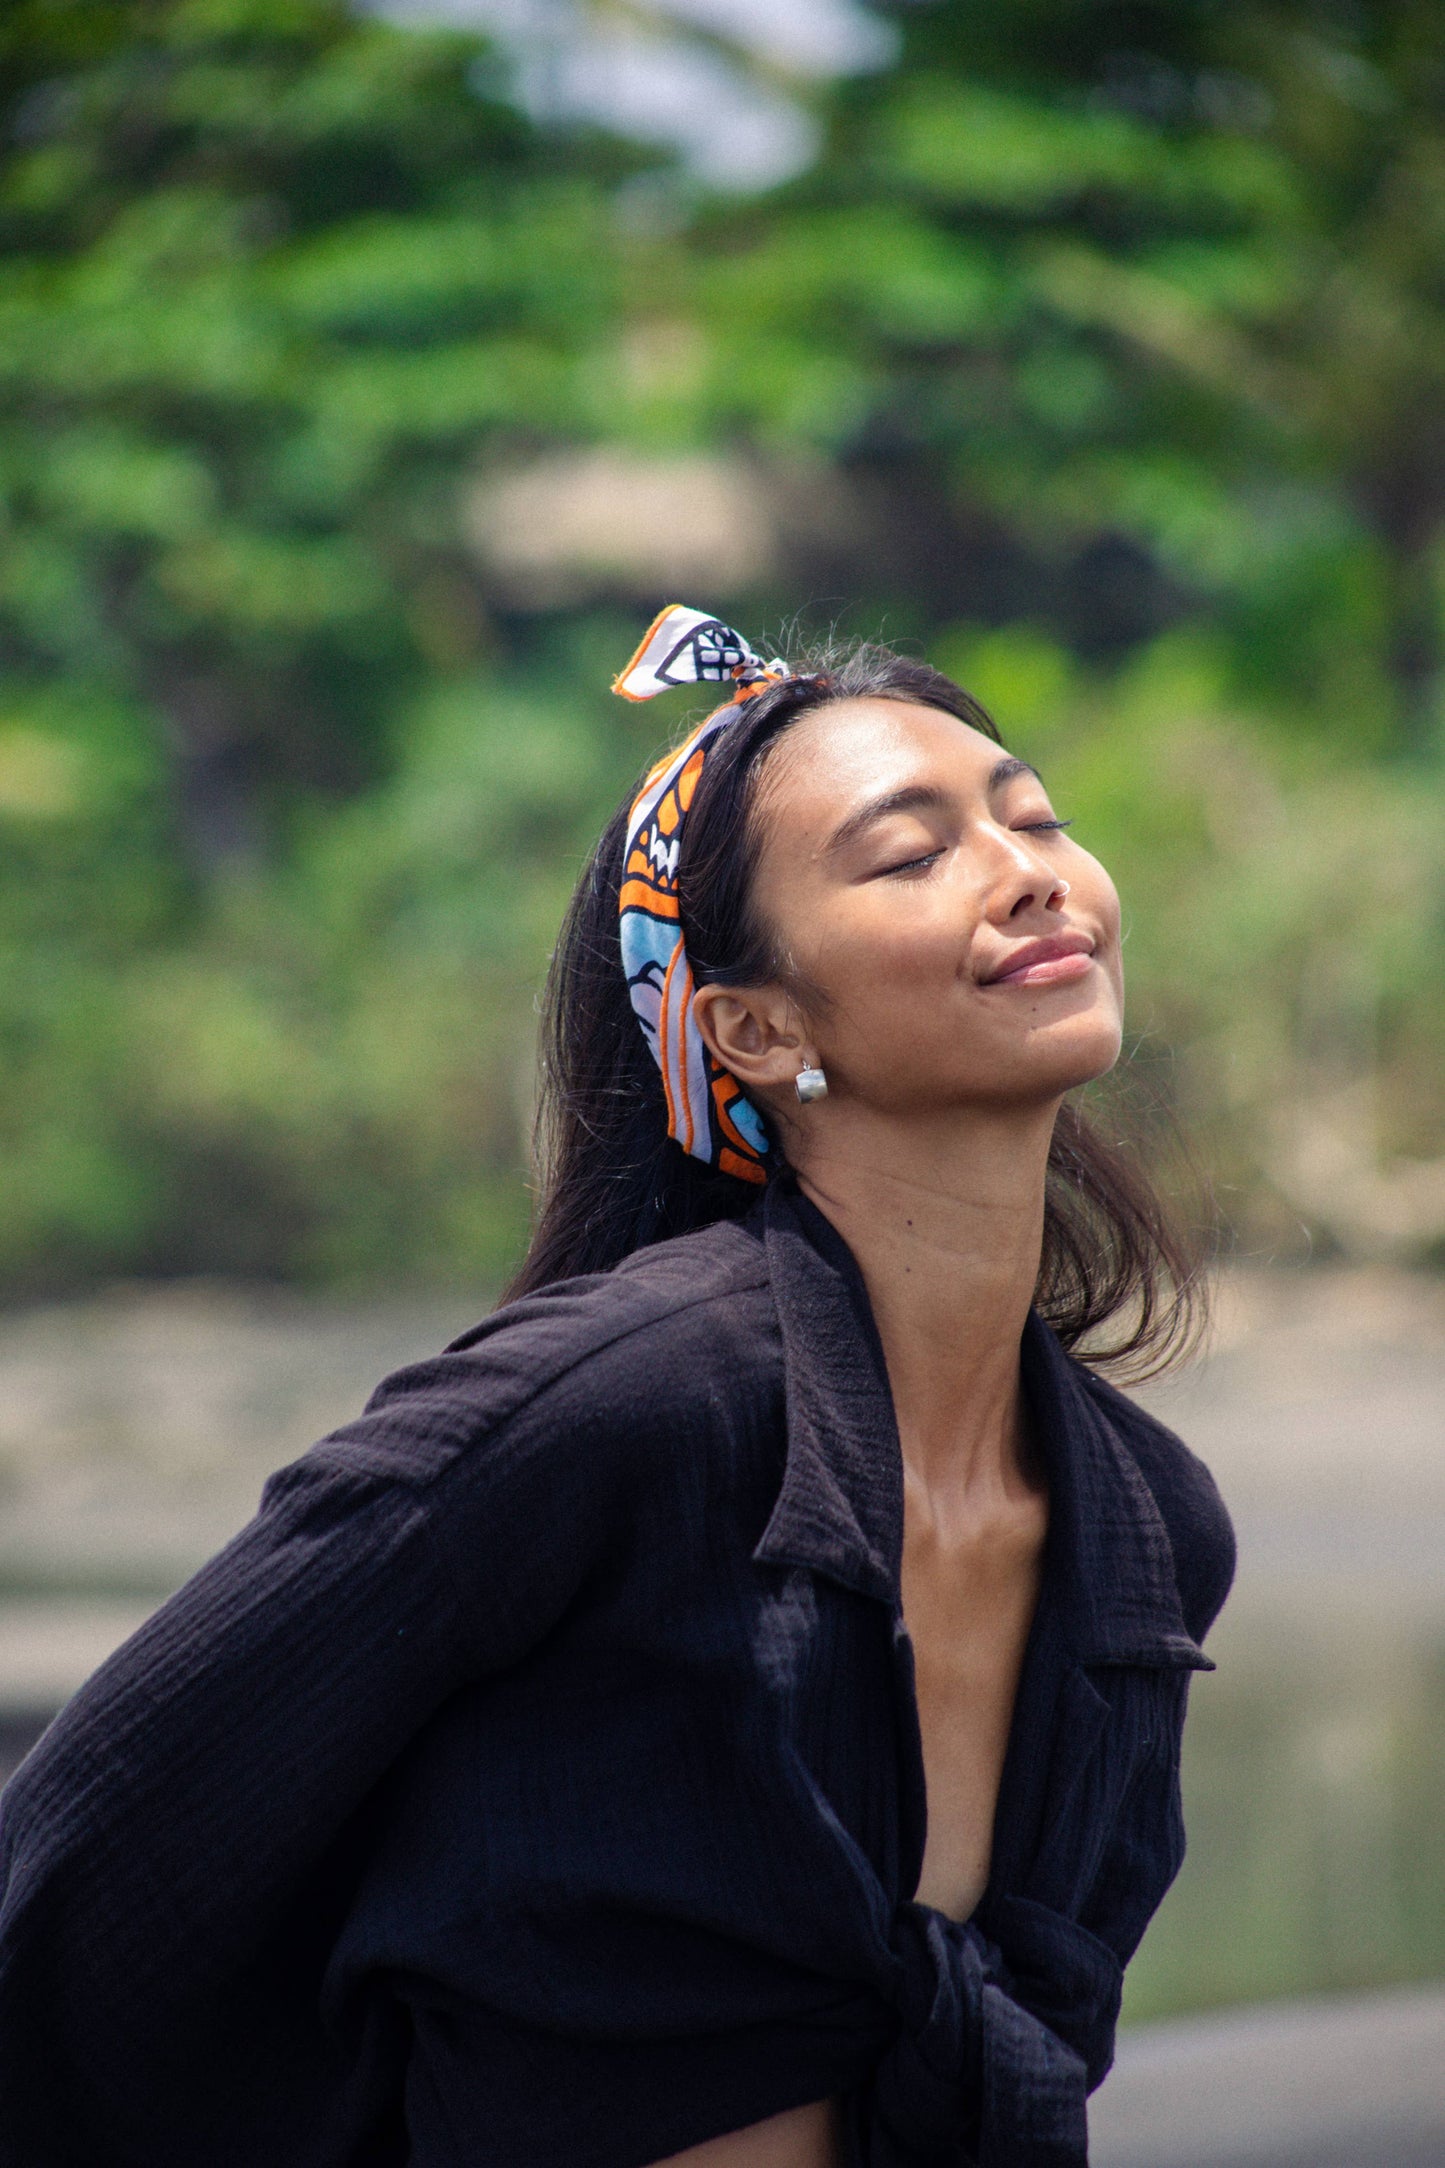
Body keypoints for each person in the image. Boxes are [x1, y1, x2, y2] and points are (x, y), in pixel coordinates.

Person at [0, 606, 1234, 2168]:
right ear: (753, 1025)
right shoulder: (613, 1410)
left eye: (1034, 816)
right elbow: (100, 1835)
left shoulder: (1143, 1534)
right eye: (910, 854)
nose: (1028, 869)